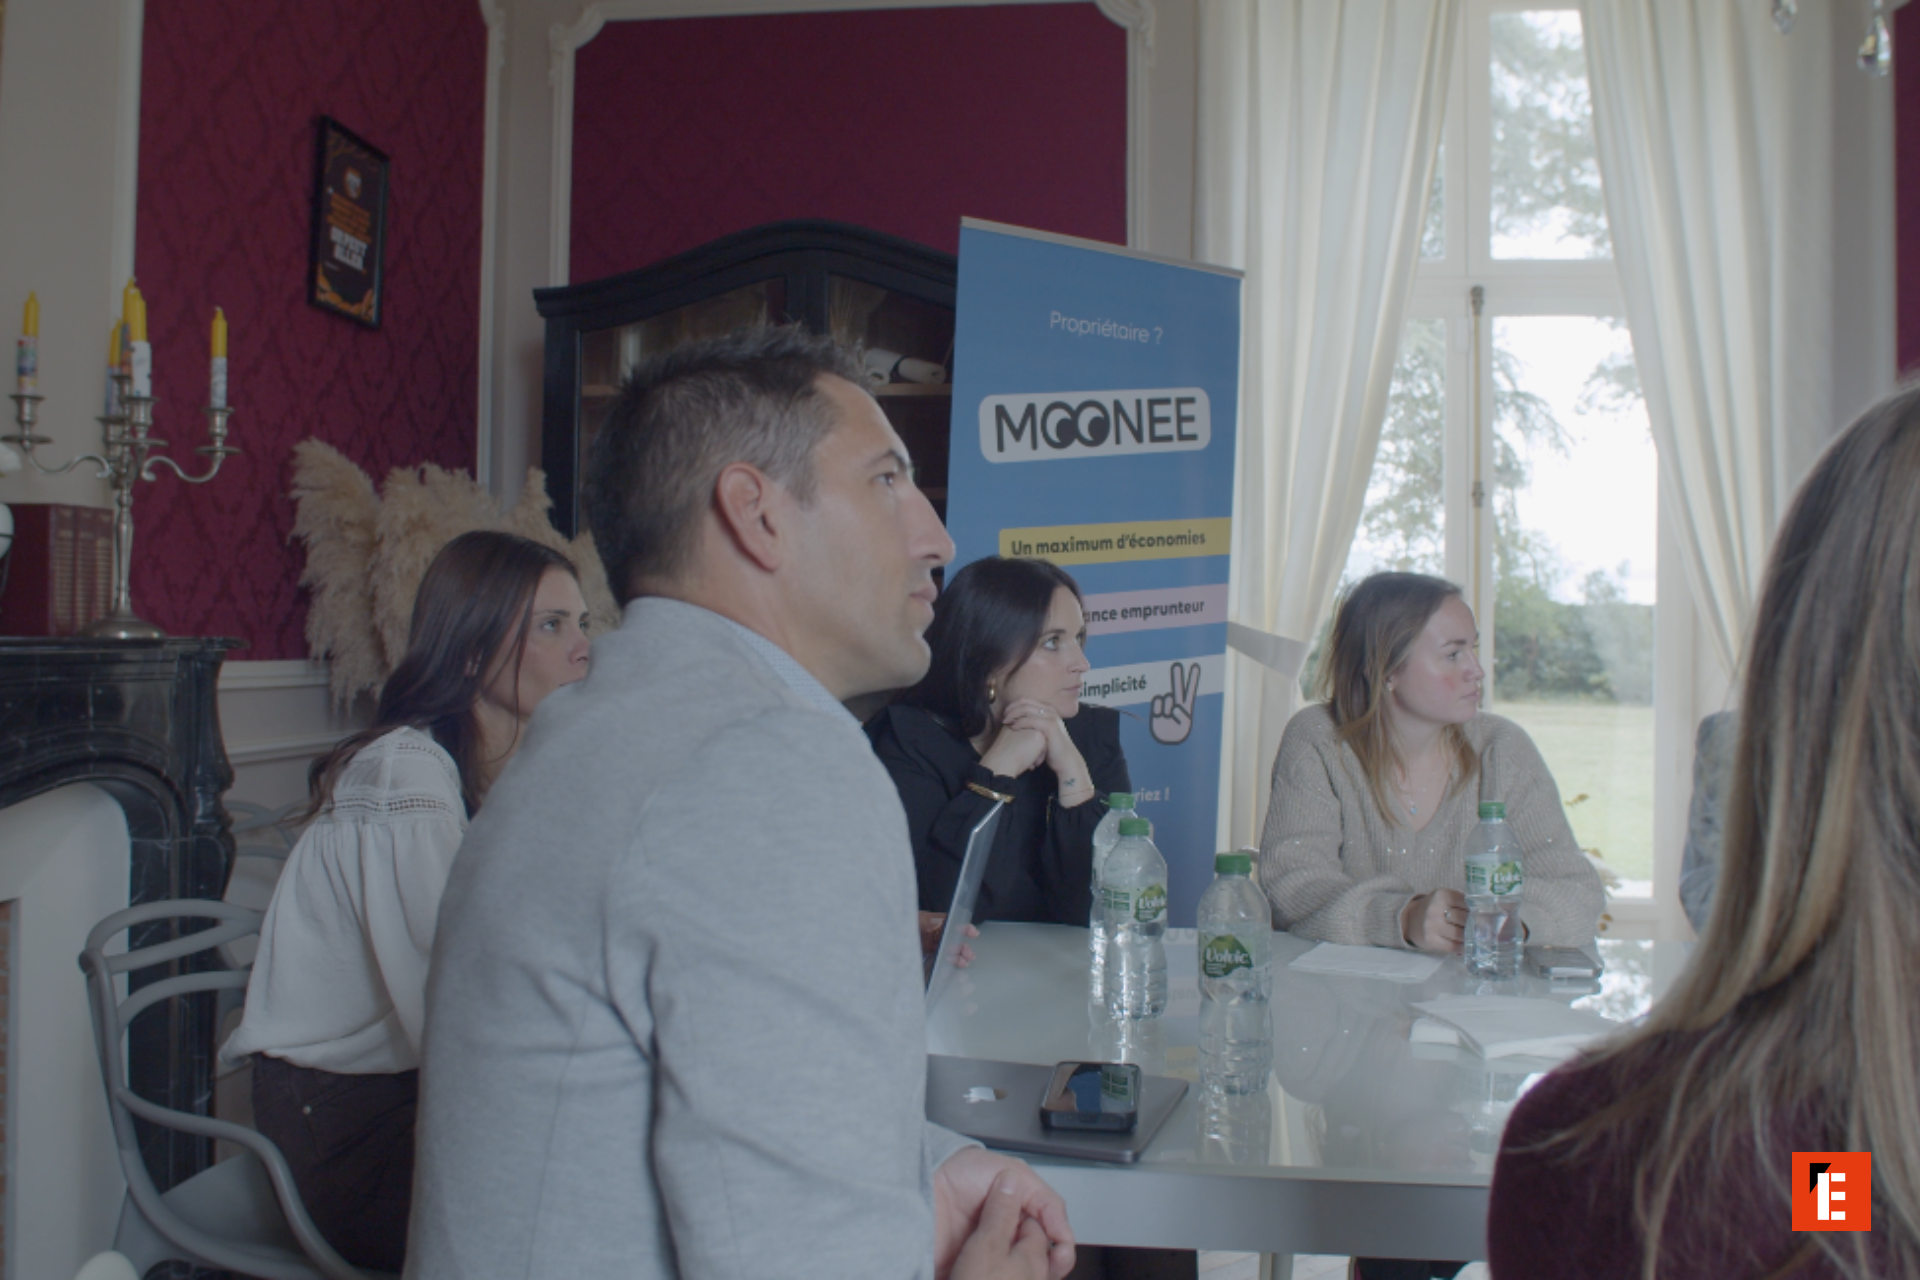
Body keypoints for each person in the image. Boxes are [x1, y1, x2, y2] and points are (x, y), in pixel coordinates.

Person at [408, 326, 1074, 1280]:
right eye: (888, 480)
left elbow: (697, 1098)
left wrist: (933, 1161)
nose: (938, 535)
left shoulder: (596, 732)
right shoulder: (767, 759)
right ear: (755, 515)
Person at [1489, 387, 1920, 1279]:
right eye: (1446, 649)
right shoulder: (1317, 749)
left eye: (1469, 647)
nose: (1469, 665)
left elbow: (1577, 888)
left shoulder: (1602, 1153)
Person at [222, 530, 590, 1271]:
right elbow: (450, 1005)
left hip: (424, 1091)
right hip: (346, 1127)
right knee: (587, 1209)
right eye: (552, 625)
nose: (584, 646)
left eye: (585, 623)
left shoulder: (515, 769)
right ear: (468, 651)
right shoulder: (408, 778)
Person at [1260, 572, 1603, 954]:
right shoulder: (1318, 739)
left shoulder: (1503, 749)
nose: (1477, 670)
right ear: (1387, 669)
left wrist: (1512, 925)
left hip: (1479, 1003)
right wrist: (1401, 917)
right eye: (1454, 654)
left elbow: (1578, 891)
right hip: (1345, 1003)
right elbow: (1291, 886)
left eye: (1472, 649)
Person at [868, 555, 1129, 926]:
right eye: (1053, 642)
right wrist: (996, 771)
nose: (1081, 663)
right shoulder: (909, 742)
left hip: (1068, 976)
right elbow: (942, 913)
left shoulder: (1091, 735)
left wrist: (1074, 776)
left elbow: (1108, 910)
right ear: (988, 657)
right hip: (964, 979)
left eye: (1079, 638)